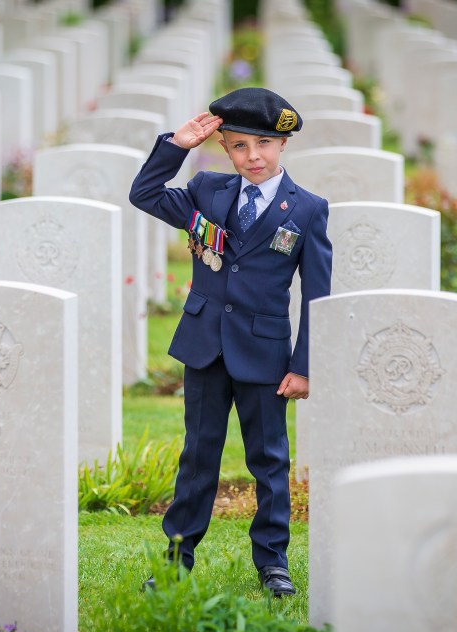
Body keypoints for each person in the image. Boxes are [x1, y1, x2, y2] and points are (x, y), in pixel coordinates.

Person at [129, 87, 333, 597]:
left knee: (268, 459)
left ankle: (272, 561)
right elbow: (145, 194)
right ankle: (178, 558)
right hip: (205, 347)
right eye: (239, 146)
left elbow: (317, 294)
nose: (253, 157)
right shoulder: (207, 191)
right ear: (224, 149)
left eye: (263, 144)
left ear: (283, 143)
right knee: (198, 454)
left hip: (265, 355)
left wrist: (305, 365)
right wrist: (175, 146)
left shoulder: (307, 210)